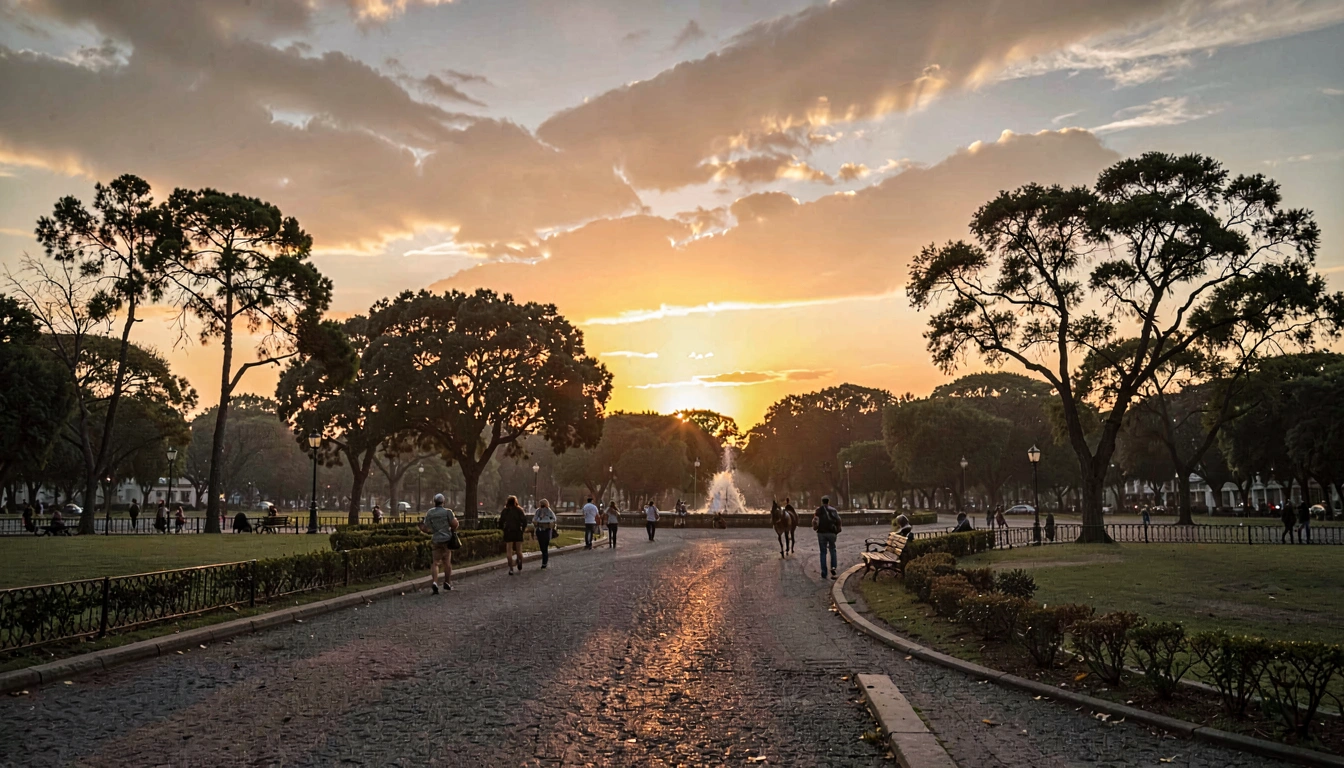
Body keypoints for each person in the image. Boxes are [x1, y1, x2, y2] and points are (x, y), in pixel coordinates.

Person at [419, 493, 459, 593]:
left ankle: (435, 582)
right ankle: (447, 582)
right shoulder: (448, 512)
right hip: (446, 539)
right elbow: (455, 524)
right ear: (443, 502)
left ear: (434, 502)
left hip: (436, 539)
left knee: (435, 562)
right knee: (447, 563)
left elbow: (425, 528)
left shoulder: (430, 513)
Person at [813, 496, 842, 579]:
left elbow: (815, 521)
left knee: (823, 552)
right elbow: (839, 520)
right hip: (831, 532)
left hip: (821, 533)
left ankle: (824, 572)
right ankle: (833, 567)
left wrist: (815, 528)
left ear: (822, 502)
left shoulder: (818, 511)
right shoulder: (833, 510)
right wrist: (838, 530)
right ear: (828, 502)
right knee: (832, 549)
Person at [500, 495, 527, 575]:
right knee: (519, 550)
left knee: (509, 551)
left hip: (508, 531)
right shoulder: (519, 510)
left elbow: (501, 522)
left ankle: (511, 568)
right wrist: (523, 529)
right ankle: (520, 561)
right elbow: (524, 521)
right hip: (518, 531)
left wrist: (503, 529)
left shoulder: (505, 511)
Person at [533, 499, 558, 568]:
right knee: (543, 547)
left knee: (544, 547)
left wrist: (547, 520)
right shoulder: (539, 511)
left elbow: (554, 519)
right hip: (543, 530)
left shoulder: (547, 511)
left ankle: (544, 562)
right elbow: (534, 519)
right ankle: (544, 560)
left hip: (545, 530)